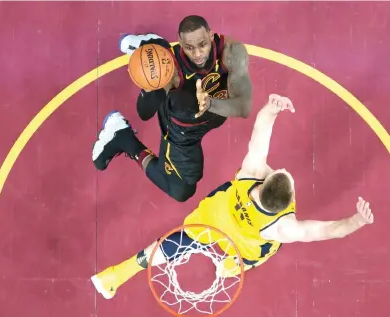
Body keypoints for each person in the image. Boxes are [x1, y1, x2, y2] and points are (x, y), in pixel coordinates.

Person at [90, 94, 375, 299]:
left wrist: (271, 108)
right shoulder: (283, 227)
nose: (283, 168)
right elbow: (326, 231)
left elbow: (260, 133)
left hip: (209, 219)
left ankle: (113, 276)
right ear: (286, 205)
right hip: (241, 250)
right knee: (232, 268)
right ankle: (226, 268)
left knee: (170, 244)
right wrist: (358, 221)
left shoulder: (252, 171)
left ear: (266, 181)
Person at [91, 15, 253, 202]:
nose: (198, 54)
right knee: (181, 189)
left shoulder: (232, 51)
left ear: (210, 35)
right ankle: (122, 135)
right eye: (189, 48)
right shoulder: (171, 72)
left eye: (202, 44)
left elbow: (244, 107)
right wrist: (151, 85)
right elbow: (143, 113)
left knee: (199, 103)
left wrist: (210, 104)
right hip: (183, 128)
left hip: (213, 113)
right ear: (181, 44)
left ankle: (155, 46)